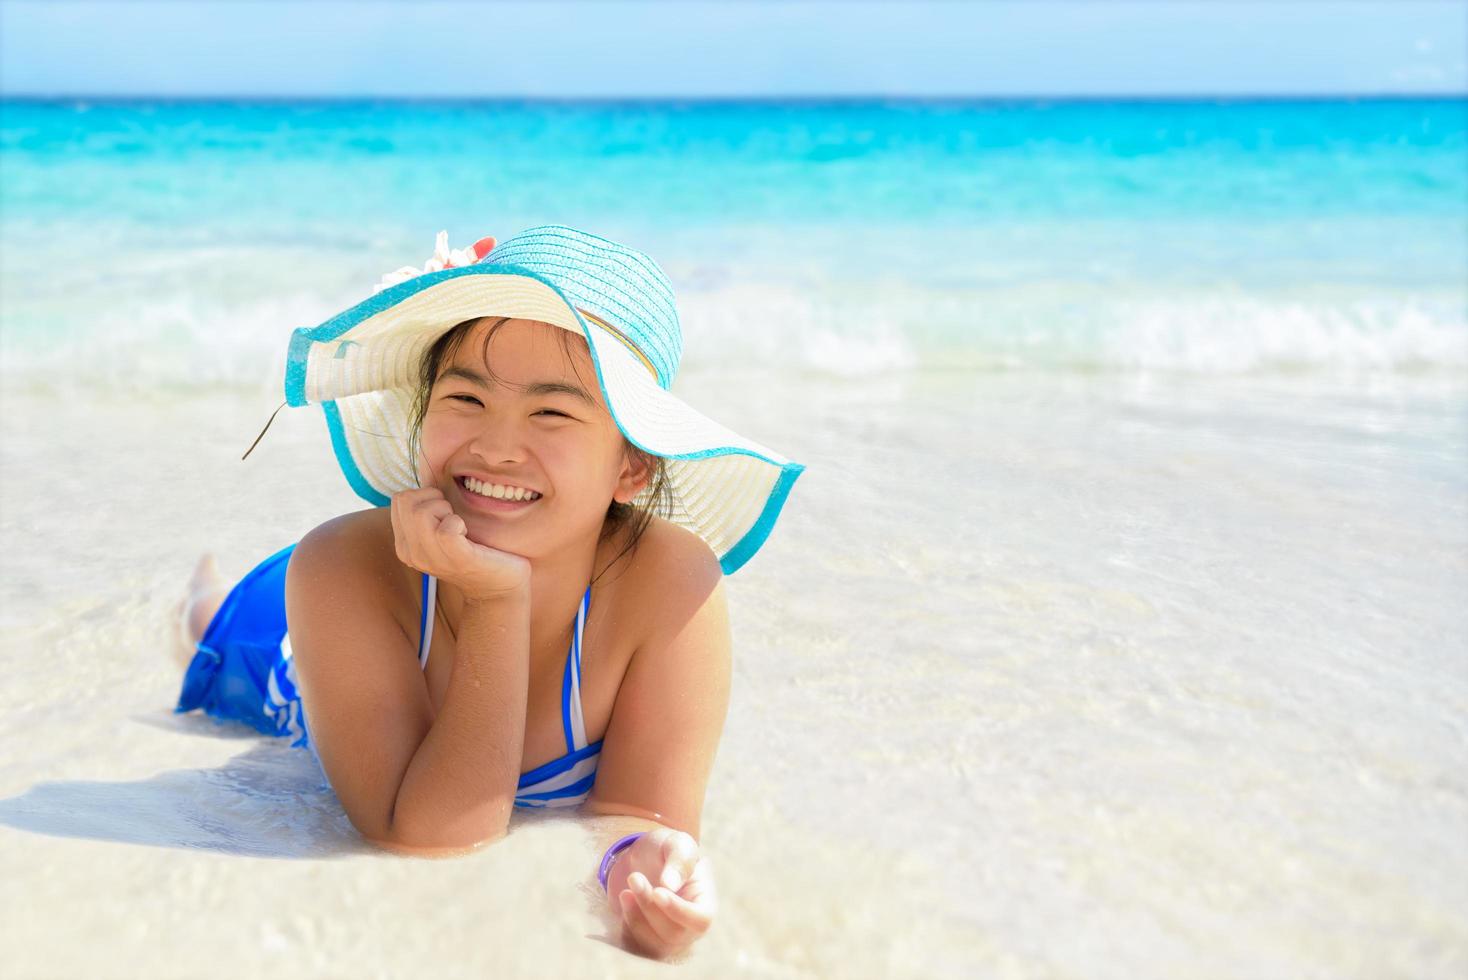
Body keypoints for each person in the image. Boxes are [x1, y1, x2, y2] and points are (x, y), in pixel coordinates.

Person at [170, 225, 805, 960]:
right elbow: (428, 839)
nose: (498, 446)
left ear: (631, 467)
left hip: (409, 578)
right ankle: (203, 588)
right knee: (210, 622)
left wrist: (641, 868)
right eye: (466, 397)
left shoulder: (668, 584)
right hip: (313, 639)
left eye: (552, 412)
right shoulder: (343, 570)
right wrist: (500, 603)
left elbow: (637, 813)